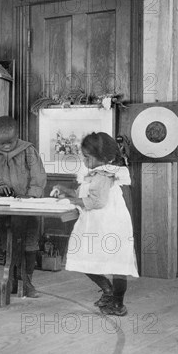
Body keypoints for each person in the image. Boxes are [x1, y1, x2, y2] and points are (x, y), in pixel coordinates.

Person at [51, 132, 138, 316]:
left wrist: (74, 201)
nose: (84, 160)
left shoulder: (104, 174)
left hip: (108, 223)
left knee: (114, 264)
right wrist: (67, 191)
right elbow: (84, 192)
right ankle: (109, 292)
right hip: (96, 223)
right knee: (87, 258)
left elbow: (96, 201)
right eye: (83, 156)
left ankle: (117, 302)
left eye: (87, 157)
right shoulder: (94, 172)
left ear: (103, 158)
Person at [0, 116, 47, 298]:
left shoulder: (28, 151)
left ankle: (27, 282)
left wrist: (31, 195)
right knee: (7, 244)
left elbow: (38, 176)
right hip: (4, 210)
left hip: (28, 207)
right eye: (2, 144)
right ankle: (11, 281)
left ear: (17, 135)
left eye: (11, 142)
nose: (7, 147)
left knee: (29, 244)